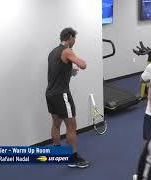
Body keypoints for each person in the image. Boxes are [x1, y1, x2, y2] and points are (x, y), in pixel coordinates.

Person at [45, 27, 89, 168]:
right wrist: (80, 63)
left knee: (56, 123)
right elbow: (82, 65)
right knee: (71, 125)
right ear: (69, 37)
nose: (75, 41)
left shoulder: (53, 52)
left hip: (50, 93)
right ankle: (73, 158)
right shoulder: (67, 50)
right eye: (74, 38)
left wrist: (69, 72)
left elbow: (57, 71)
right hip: (61, 94)